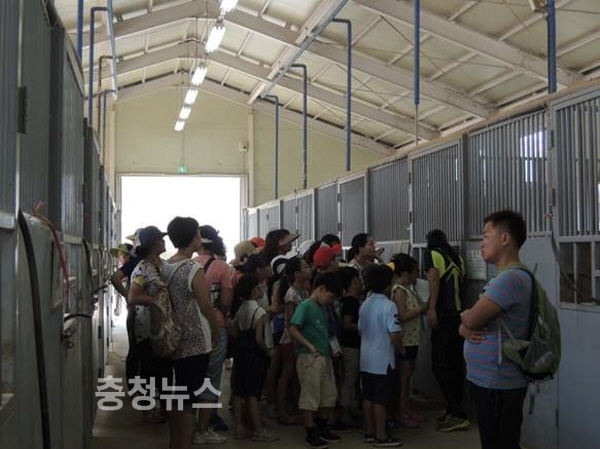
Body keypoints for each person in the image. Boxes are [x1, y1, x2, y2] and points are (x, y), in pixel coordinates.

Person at [460, 210, 532, 449]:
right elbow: (470, 323)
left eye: (485, 236)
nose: (481, 243)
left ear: (505, 239)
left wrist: (464, 318)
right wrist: (465, 325)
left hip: (498, 383)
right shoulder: (505, 278)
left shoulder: (509, 280)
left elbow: (471, 319)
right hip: (493, 380)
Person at [162, 217, 217, 449]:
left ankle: (175, 443)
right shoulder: (193, 268)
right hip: (195, 341)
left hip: (174, 339)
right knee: (189, 400)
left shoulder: (167, 265)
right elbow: (206, 306)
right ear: (193, 237)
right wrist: (216, 330)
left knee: (179, 396)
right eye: (198, 233)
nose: (200, 237)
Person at [289, 272, 344, 449]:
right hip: (309, 356)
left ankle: (322, 426)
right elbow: (293, 328)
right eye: (330, 296)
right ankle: (310, 431)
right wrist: (309, 345)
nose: (330, 301)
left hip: (325, 355)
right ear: (321, 289)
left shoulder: (322, 308)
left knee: (329, 395)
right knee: (310, 396)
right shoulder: (305, 306)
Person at [424, 229, 470, 432]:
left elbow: (434, 279)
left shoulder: (432, 254)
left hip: (443, 315)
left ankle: (457, 413)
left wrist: (432, 308)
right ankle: (454, 410)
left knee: (440, 365)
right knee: (455, 364)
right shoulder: (457, 257)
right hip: (457, 315)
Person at [127, 226, 172, 423]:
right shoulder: (142, 269)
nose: (164, 242)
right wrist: (156, 300)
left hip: (163, 326)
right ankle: (147, 409)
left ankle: (164, 408)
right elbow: (133, 297)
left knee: (165, 368)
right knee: (148, 369)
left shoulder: (163, 265)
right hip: (146, 327)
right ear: (153, 244)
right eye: (161, 239)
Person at [193, 224, 233, 441]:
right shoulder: (223, 268)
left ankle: (185, 426)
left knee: (190, 376)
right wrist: (220, 315)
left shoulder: (185, 265)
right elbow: (225, 302)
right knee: (211, 378)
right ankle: (203, 429)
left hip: (190, 327)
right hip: (215, 326)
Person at [229, 274, 279, 442]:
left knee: (238, 390)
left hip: (241, 351)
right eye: (258, 287)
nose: (261, 290)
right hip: (253, 353)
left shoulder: (241, 309)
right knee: (252, 391)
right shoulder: (259, 311)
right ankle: (258, 429)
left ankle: (239, 427)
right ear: (253, 290)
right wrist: (268, 351)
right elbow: (259, 338)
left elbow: (234, 331)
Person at [358, 264, 403, 447]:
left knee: (368, 397)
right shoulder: (389, 306)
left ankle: (369, 431)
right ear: (387, 285)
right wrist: (401, 348)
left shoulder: (365, 304)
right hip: (383, 360)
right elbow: (394, 334)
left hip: (366, 359)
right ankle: (381, 436)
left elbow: (360, 330)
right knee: (381, 400)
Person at [390, 253, 429, 428]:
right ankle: (402, 412)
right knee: (403, 379)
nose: (415, 276)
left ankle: (407, 410)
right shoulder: (399, 291)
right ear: (405, 273)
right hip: (405, 340)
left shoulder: (408, 289)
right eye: (413, 273)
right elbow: (402, 316)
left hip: (412, 340)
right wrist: (423, 308)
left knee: (408, 377)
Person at [109, 240, 140, 388]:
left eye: (121, 254)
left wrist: (128, 296)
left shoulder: (133, 264)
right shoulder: (134, 265)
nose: (119, 258)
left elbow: (114, 278)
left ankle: (134, 385)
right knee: (137, 351)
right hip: (137, 312)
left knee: (135, 350)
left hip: (136, 313)